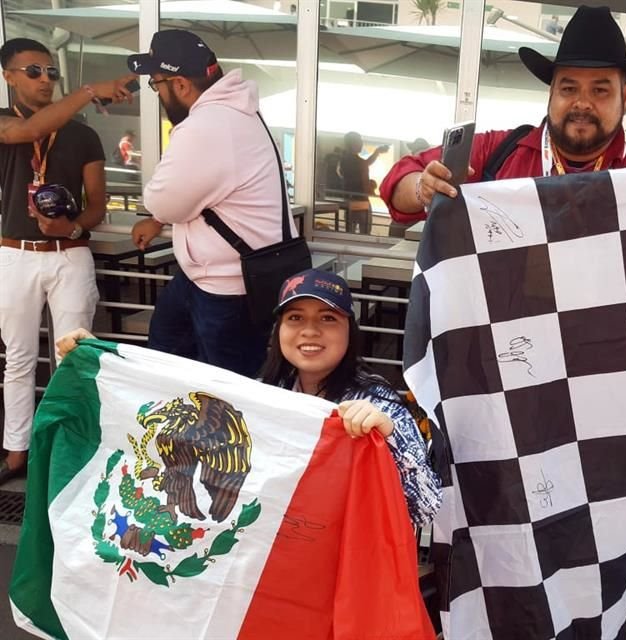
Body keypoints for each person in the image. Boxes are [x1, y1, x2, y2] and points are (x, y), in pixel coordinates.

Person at [381, 5, 626, 258]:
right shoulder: (494, 151)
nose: (582, 103)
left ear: (625, 97)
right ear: (551, 92)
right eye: (569, 88)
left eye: (600, 90)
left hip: (600, 364)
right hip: (493, 355)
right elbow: (397, 185)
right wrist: (423, 187)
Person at [56, 269, 442, 526]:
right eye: (295, 318)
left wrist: (387, 435)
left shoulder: (377, 403)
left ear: (349, 332)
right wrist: (103, 361)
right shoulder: (261, 396)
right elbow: (177, 404)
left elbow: (425, 509)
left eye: (327, 319)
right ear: (278, 331)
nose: (310, 331)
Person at [0, 38, 135, 484]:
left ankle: (65, 450)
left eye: (51, 72)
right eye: (33, 71)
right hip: (15, 254)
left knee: (72, 359)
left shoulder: (82, 133)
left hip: (70, 255)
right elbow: (27, 133)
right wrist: (91, 90)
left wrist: (74, 228)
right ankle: (16, 451)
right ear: (8, 76)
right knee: (18, 358)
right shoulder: (5, 122)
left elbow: (96, 202)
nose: (45, 79)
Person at [126, 30, 298, 378]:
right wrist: (159, 218)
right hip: (209, 278)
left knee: (222, 398)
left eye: (156, 84)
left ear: (180, 85)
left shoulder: (208, 125)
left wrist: (160, 211)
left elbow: (163, 198)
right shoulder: (240, 112)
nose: (158, 94)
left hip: (226, 291)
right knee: (166, 368)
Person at [340, 131, 389, 234]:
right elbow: (366, 187)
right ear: (353, 144)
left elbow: (365, 164)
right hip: (361, 202)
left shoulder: (343, 160)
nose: (362, 144)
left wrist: (377, 152)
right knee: (365, 234)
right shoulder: (361, 163)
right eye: (359, 141)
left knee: (349, 234)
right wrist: (373, 187)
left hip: (348, 201)